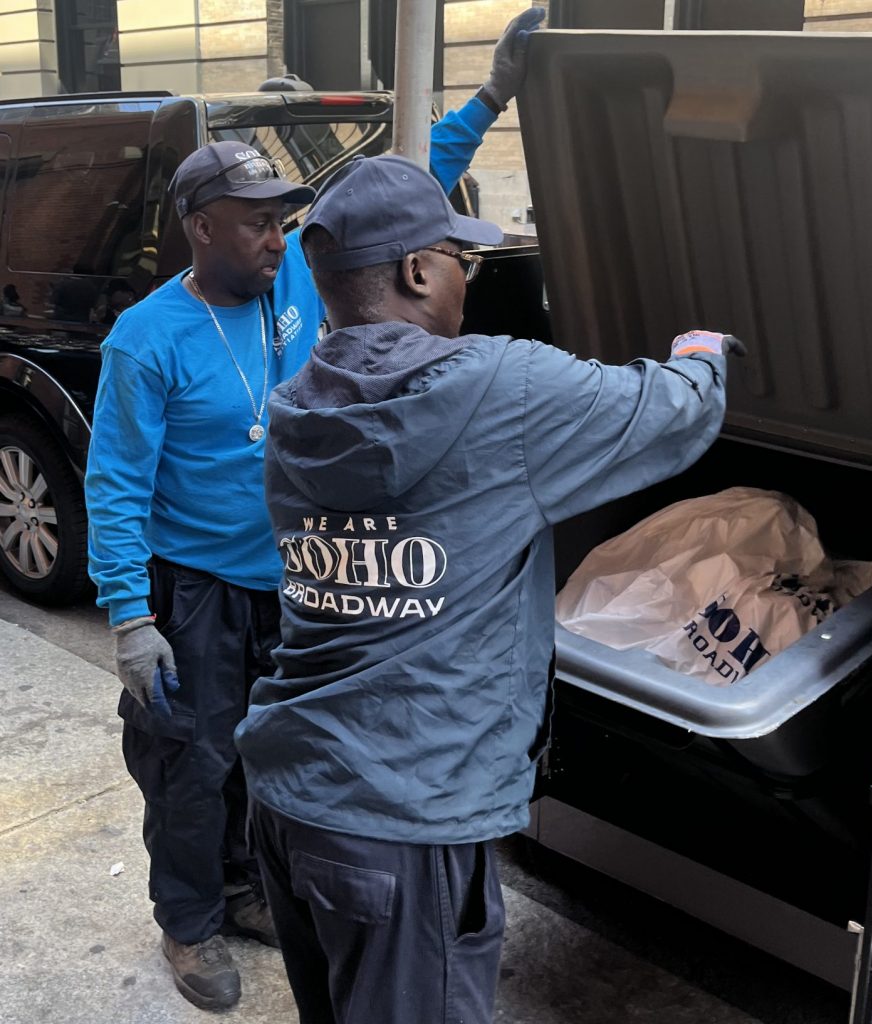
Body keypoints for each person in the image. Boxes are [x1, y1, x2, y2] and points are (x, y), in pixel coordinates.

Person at [84, 8, 545, 1011]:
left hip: (300, 583)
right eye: (255, 219)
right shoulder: (146, 338)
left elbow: (410, 184)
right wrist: (130, 617)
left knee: (275, 756)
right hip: (196, 592)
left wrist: (493, 94)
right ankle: (190, 921)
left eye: (283, 217)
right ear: (200, 225)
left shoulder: (293, 271)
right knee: (190, 769)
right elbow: (114, 483)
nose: (277, 234)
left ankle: (250, 887)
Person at [234, 153, 745, 1024]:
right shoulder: (500, 387)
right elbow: (673, 411)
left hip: (290, 798)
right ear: (418, 271)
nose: (466, 282)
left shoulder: (293, 411)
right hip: (404, 819)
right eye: (459, 262)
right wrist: (703, 350)